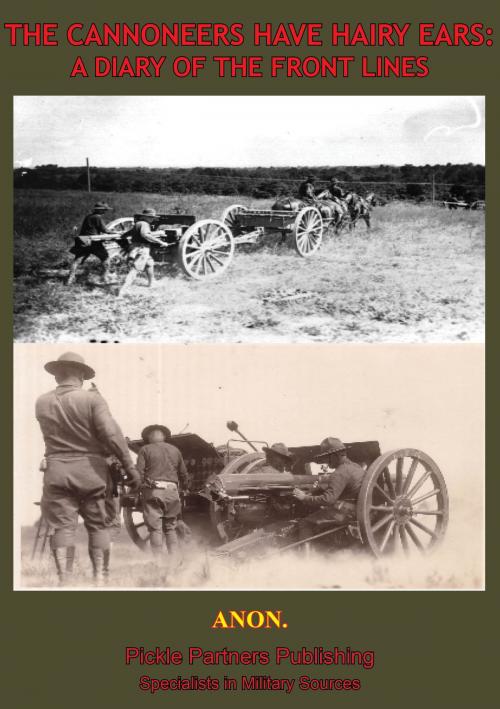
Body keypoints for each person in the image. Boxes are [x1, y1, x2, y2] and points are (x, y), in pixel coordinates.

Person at [35, 352, 140, 585]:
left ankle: (65, 581)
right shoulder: (93, 400)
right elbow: (111, 435)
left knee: (62, 527)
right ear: (81, 374)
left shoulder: (41, 401)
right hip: (91, 472)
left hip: (56, 470)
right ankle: (100, 580)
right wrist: (129, 467)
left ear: (56, 375)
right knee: (99, 526)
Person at [292, 437, 365, 541]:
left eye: (326, 457)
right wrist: (316, 490)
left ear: (335, 456)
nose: (325, 462)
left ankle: (306, 557)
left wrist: (304, 498)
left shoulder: (340, 472)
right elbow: (344, 486)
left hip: (345, 514)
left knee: (305, 523)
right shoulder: (356, 467)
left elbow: (328, 499)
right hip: (360, 511)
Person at [136, 424, 189, 558]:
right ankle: (173, 560)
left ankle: (158, 562)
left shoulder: (145, 449)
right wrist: (185, 488)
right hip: (172, 492)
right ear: (164, 437)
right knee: (170, 527)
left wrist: (138, 488)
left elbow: (138, 473)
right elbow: (183, 474)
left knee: (155, 528)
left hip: (153, 492)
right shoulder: (175, 450)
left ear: (149, 437)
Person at [118, 208, 168, 296]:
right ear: (146, 217)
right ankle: (123, 290)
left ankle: (151, 283)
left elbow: (130, 232)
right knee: (136, 269)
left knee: (149, 263)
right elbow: (145, 234)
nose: (152, 219)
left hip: (135, 247)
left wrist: (123, 235)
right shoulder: (145, 224)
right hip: (142, 248)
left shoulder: (138, 223)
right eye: (151, 217)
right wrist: (161, 242)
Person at [67, 202, 117, 286]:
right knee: (106, 258)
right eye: (104, 210)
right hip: (93, 241)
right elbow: (105, 230)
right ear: (100, 210)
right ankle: (104, 277)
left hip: (84, 240)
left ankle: (70, 278)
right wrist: (116, 232)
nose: (105, 211)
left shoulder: (88, 216)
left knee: (77, 260)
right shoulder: (98, 217)